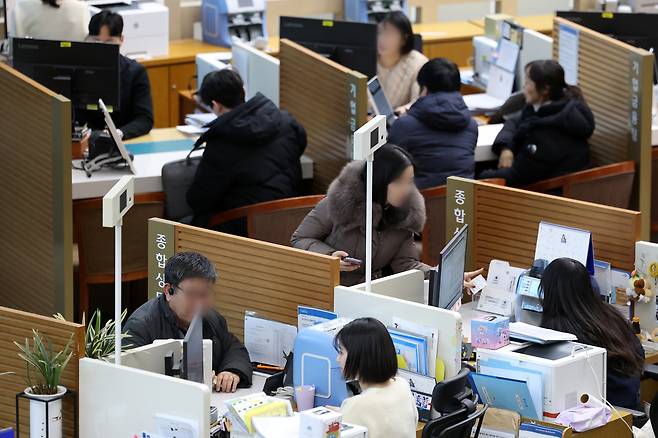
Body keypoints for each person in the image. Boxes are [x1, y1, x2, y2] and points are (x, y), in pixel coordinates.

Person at [291, 144, 483, 288]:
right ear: (379, 182)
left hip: (370, 294)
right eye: (399, 182)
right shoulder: (339, 202)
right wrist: (329, 257)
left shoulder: (404, 215)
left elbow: (406, 264)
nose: (407, 189)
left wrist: (444, 276)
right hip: (329, 289)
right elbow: (300, 238)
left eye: (410, 181)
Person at [187, 69, 307, 232]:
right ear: (243, 91)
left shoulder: (221, 143)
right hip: (291, 218)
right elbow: (300, 145)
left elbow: (199, 199)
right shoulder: (285, 121)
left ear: (216, 105)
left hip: (246, 226)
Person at [123, 252, 253, 393]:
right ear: (168, 291)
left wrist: (231, 371)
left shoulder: (211, 317)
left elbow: (233, 347)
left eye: (204, 294)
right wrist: (190, 379)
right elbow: (130, 379)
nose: (200, 303)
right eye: (192, 294)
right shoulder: (140, 326)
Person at [540, 258, 644, 409]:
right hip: (629, 405)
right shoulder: (609, 314)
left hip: (606, 414)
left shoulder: (560, 330)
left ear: (549, 292)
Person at [479, 60, 594, 187]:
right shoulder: (545, 108)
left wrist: (479, 176)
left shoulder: (549, 133)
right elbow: (514, 121)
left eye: (528, 82)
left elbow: (517, 178)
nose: (524, 87)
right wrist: (506, 148)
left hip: (552, 195)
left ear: (545, 89)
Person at [388, 58, 478, 189]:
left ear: (424, 89)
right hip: (462, 203)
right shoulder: (471, 126)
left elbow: (387, 167)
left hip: (420, 203)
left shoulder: (404, 126)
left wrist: (404, 122)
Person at [76, 11, 154, 140]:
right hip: (85, 141)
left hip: (124, 141)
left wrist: (117, 134)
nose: (102, 48)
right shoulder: (78, 71)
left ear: (121, 40)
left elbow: (145, 119)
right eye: (96, 41)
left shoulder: (136, 72)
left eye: (109, 42)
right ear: (88, 39)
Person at [335, 318, 418, 438]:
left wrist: (345, 413)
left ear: (360, 358)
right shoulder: (402, 385)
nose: (338, 359)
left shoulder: (356, 406)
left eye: (341, 352)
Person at [377, 11, 428, 114]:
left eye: (389, 34)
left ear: (404, 39)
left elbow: (419, 102)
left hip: (399, 122)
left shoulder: (418, 63)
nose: (382, 39)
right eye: (380, 32)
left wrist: (401, 111)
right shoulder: (366, 58)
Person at [11, 0, 90, 41]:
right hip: (74, 67)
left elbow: (15, 48)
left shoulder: (22, 7)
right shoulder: (82, 8)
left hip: (32, 69)